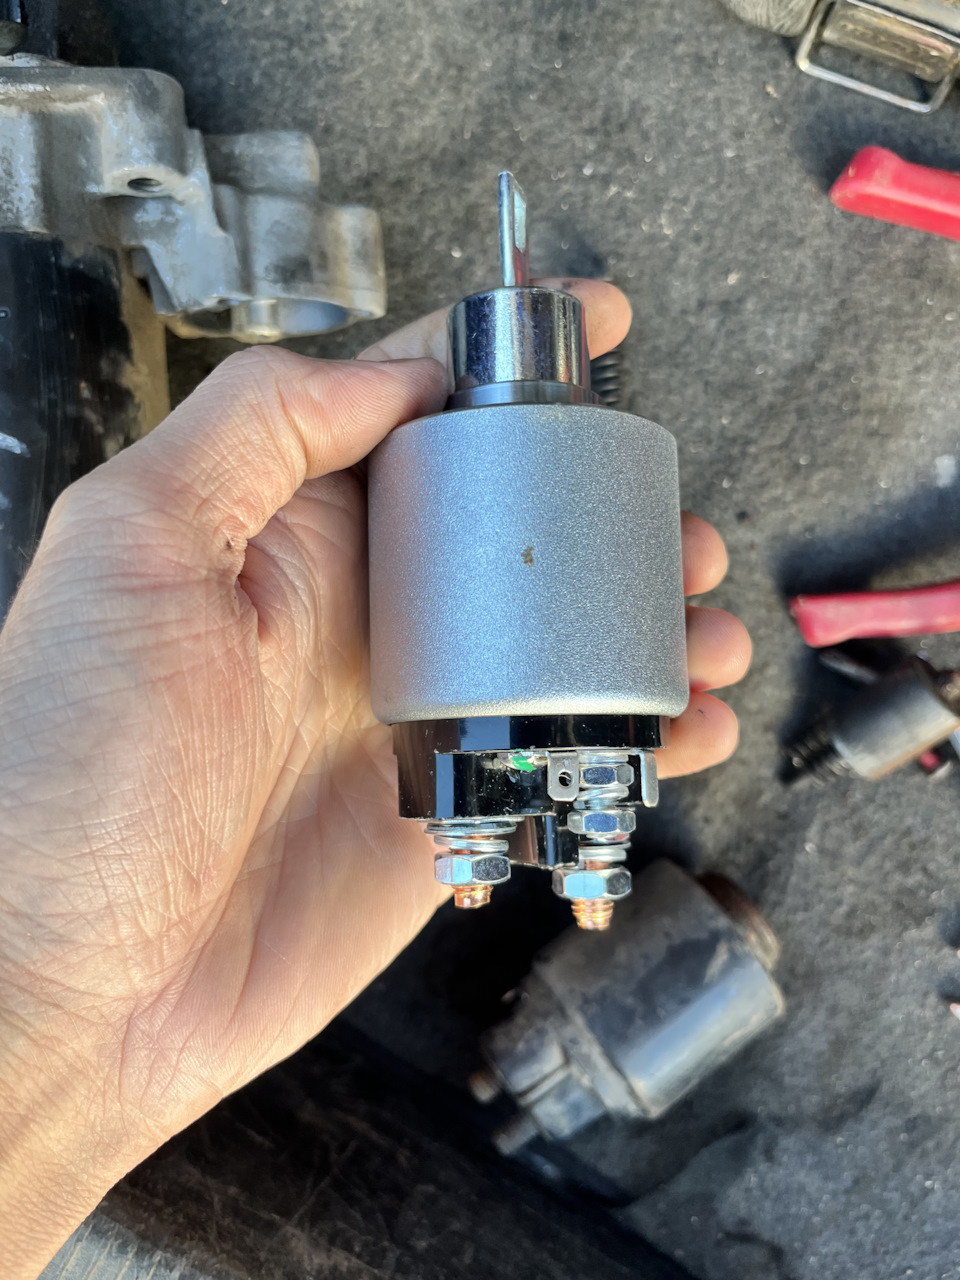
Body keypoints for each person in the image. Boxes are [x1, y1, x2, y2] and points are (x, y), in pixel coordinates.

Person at [0, 280, 750, 1278]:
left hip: (481, 719)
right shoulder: (479, 459)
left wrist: (41, 1007)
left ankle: (544, 833)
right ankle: (571, 839)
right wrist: (41, 1009)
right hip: (499, 717)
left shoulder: (472, 456)